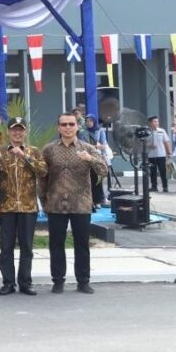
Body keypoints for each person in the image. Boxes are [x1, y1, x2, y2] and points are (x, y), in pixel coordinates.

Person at [42, 112, 109, 294]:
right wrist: (44, 200)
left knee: (82, 244)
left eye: (71, 124)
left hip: (81, 204)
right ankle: (58, 281)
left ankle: (83, 281)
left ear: (77, 127)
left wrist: (90, 159)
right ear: (58, 127)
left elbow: (104, 170)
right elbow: (42, 177)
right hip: (56, 204)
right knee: (56, 244)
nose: (68, 128)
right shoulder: (49, 150)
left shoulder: (87, 148)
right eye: (64, 124)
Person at [0, 117, 47, 295]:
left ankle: (25, 282)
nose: (17, 133)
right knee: (6, 247)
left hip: (28, 207)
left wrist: (24, 156)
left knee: (26, 247)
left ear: (25, 132)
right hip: (7, 207)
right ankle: (8, 282)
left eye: (20, 129)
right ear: (8, 131)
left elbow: (43, 171)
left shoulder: (33, 151)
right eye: (14, 129)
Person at [83, 115, 111, 207]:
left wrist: (105, 157)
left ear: (94, 122)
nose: (88, 123)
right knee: (89, 179)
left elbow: (104, 145)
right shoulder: (83, 132)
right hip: (86, 158)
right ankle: (90, 200)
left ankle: (98, 200)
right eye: (87, 121)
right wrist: (96, 146)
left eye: (90, 121)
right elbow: (82, 145)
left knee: (98, 180)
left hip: (98, 158)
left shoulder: (100, 131)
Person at [146, 116, 173, 193]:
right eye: (155, 122)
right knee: (152, 172)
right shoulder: (147, 132)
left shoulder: (161, 131)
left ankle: (165, 187)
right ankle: (154, 187)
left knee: (163, 171)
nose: (157, 123)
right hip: (151, 155)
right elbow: (142, 143)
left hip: (161, 155)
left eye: (157, 121)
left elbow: (166, 142)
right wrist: (149, 145)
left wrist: (169, 153)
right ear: (150, 123)